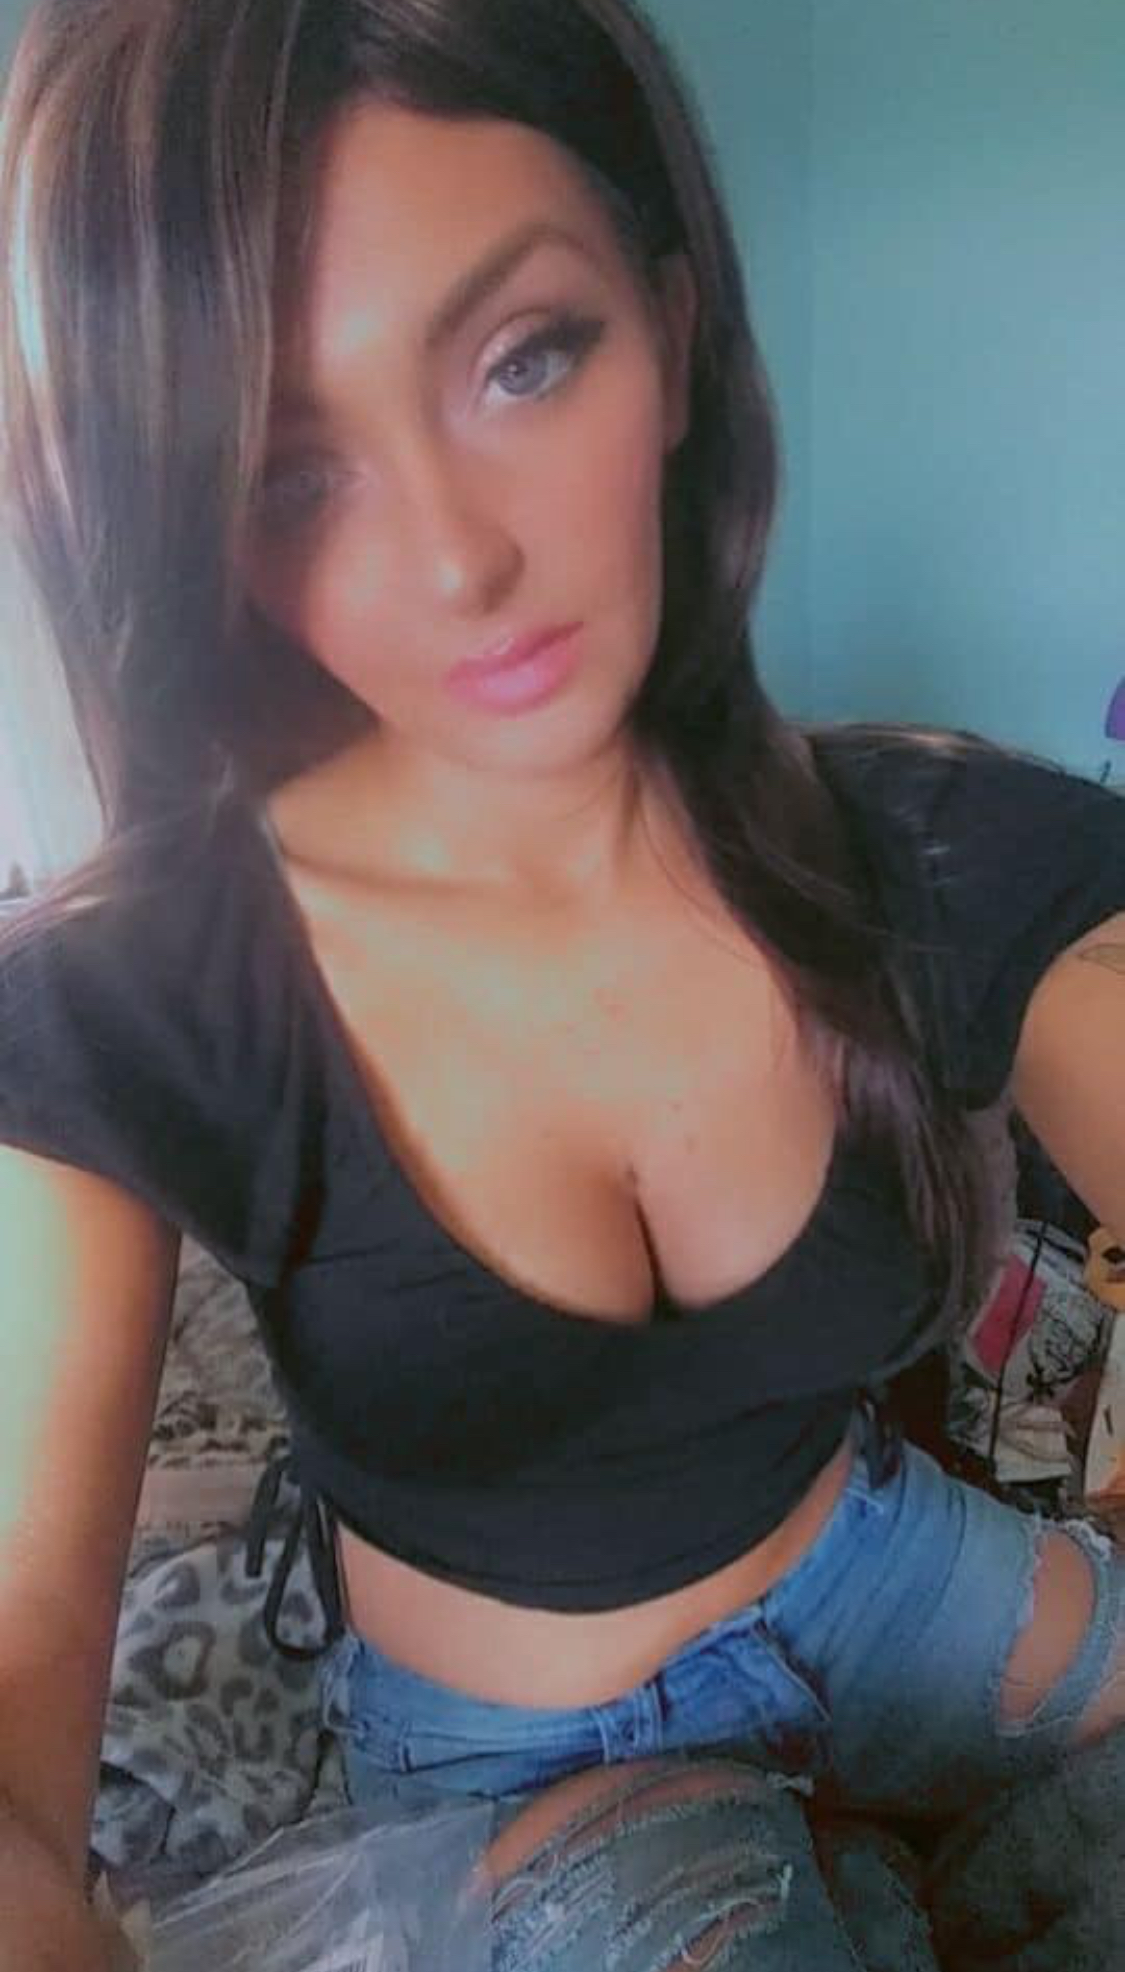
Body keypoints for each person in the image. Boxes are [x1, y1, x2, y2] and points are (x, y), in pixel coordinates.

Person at [0, 2, 1123, 1966]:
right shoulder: (142, 998)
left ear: (670, 328)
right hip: (529, 1758)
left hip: (885, 1576)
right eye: (289, 475)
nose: (455, 560)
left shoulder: (920, 845)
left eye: (522, 358)